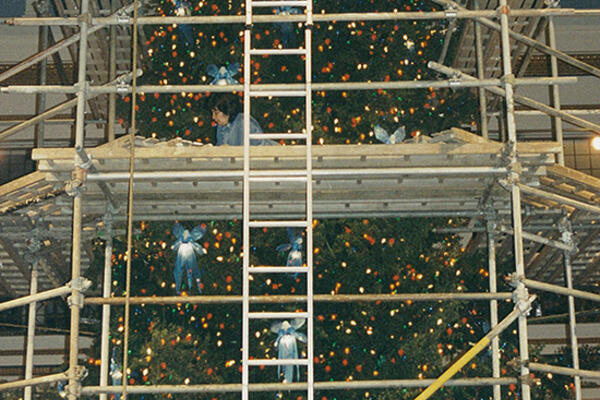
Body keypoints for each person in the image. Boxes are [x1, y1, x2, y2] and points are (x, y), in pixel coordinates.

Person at [208, 93, 276, 146]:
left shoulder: (243, 123)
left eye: (216, 113)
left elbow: (244, 153)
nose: (213, 117)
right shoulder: (221, 126)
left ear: (228, 110)